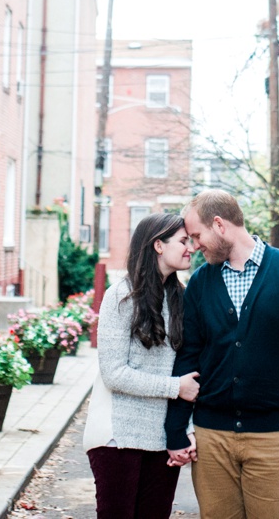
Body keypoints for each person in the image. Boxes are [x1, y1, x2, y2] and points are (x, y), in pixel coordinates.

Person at [164, 189, 279, 519]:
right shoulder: (200, 284)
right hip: (212, 439)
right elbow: (188, 357)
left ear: (219, 225)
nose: (195, 246)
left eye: (198, 236)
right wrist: (176, 429)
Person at [85, 212, 202, 519]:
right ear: (158, 246)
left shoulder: (180, 299)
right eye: (183, 241)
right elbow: (113, 373)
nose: (191, 247)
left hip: (162, 441)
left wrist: (184, 431)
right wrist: (175, 388)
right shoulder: (121, 297)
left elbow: (184, 368)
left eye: (191, 240)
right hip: (117, 438)